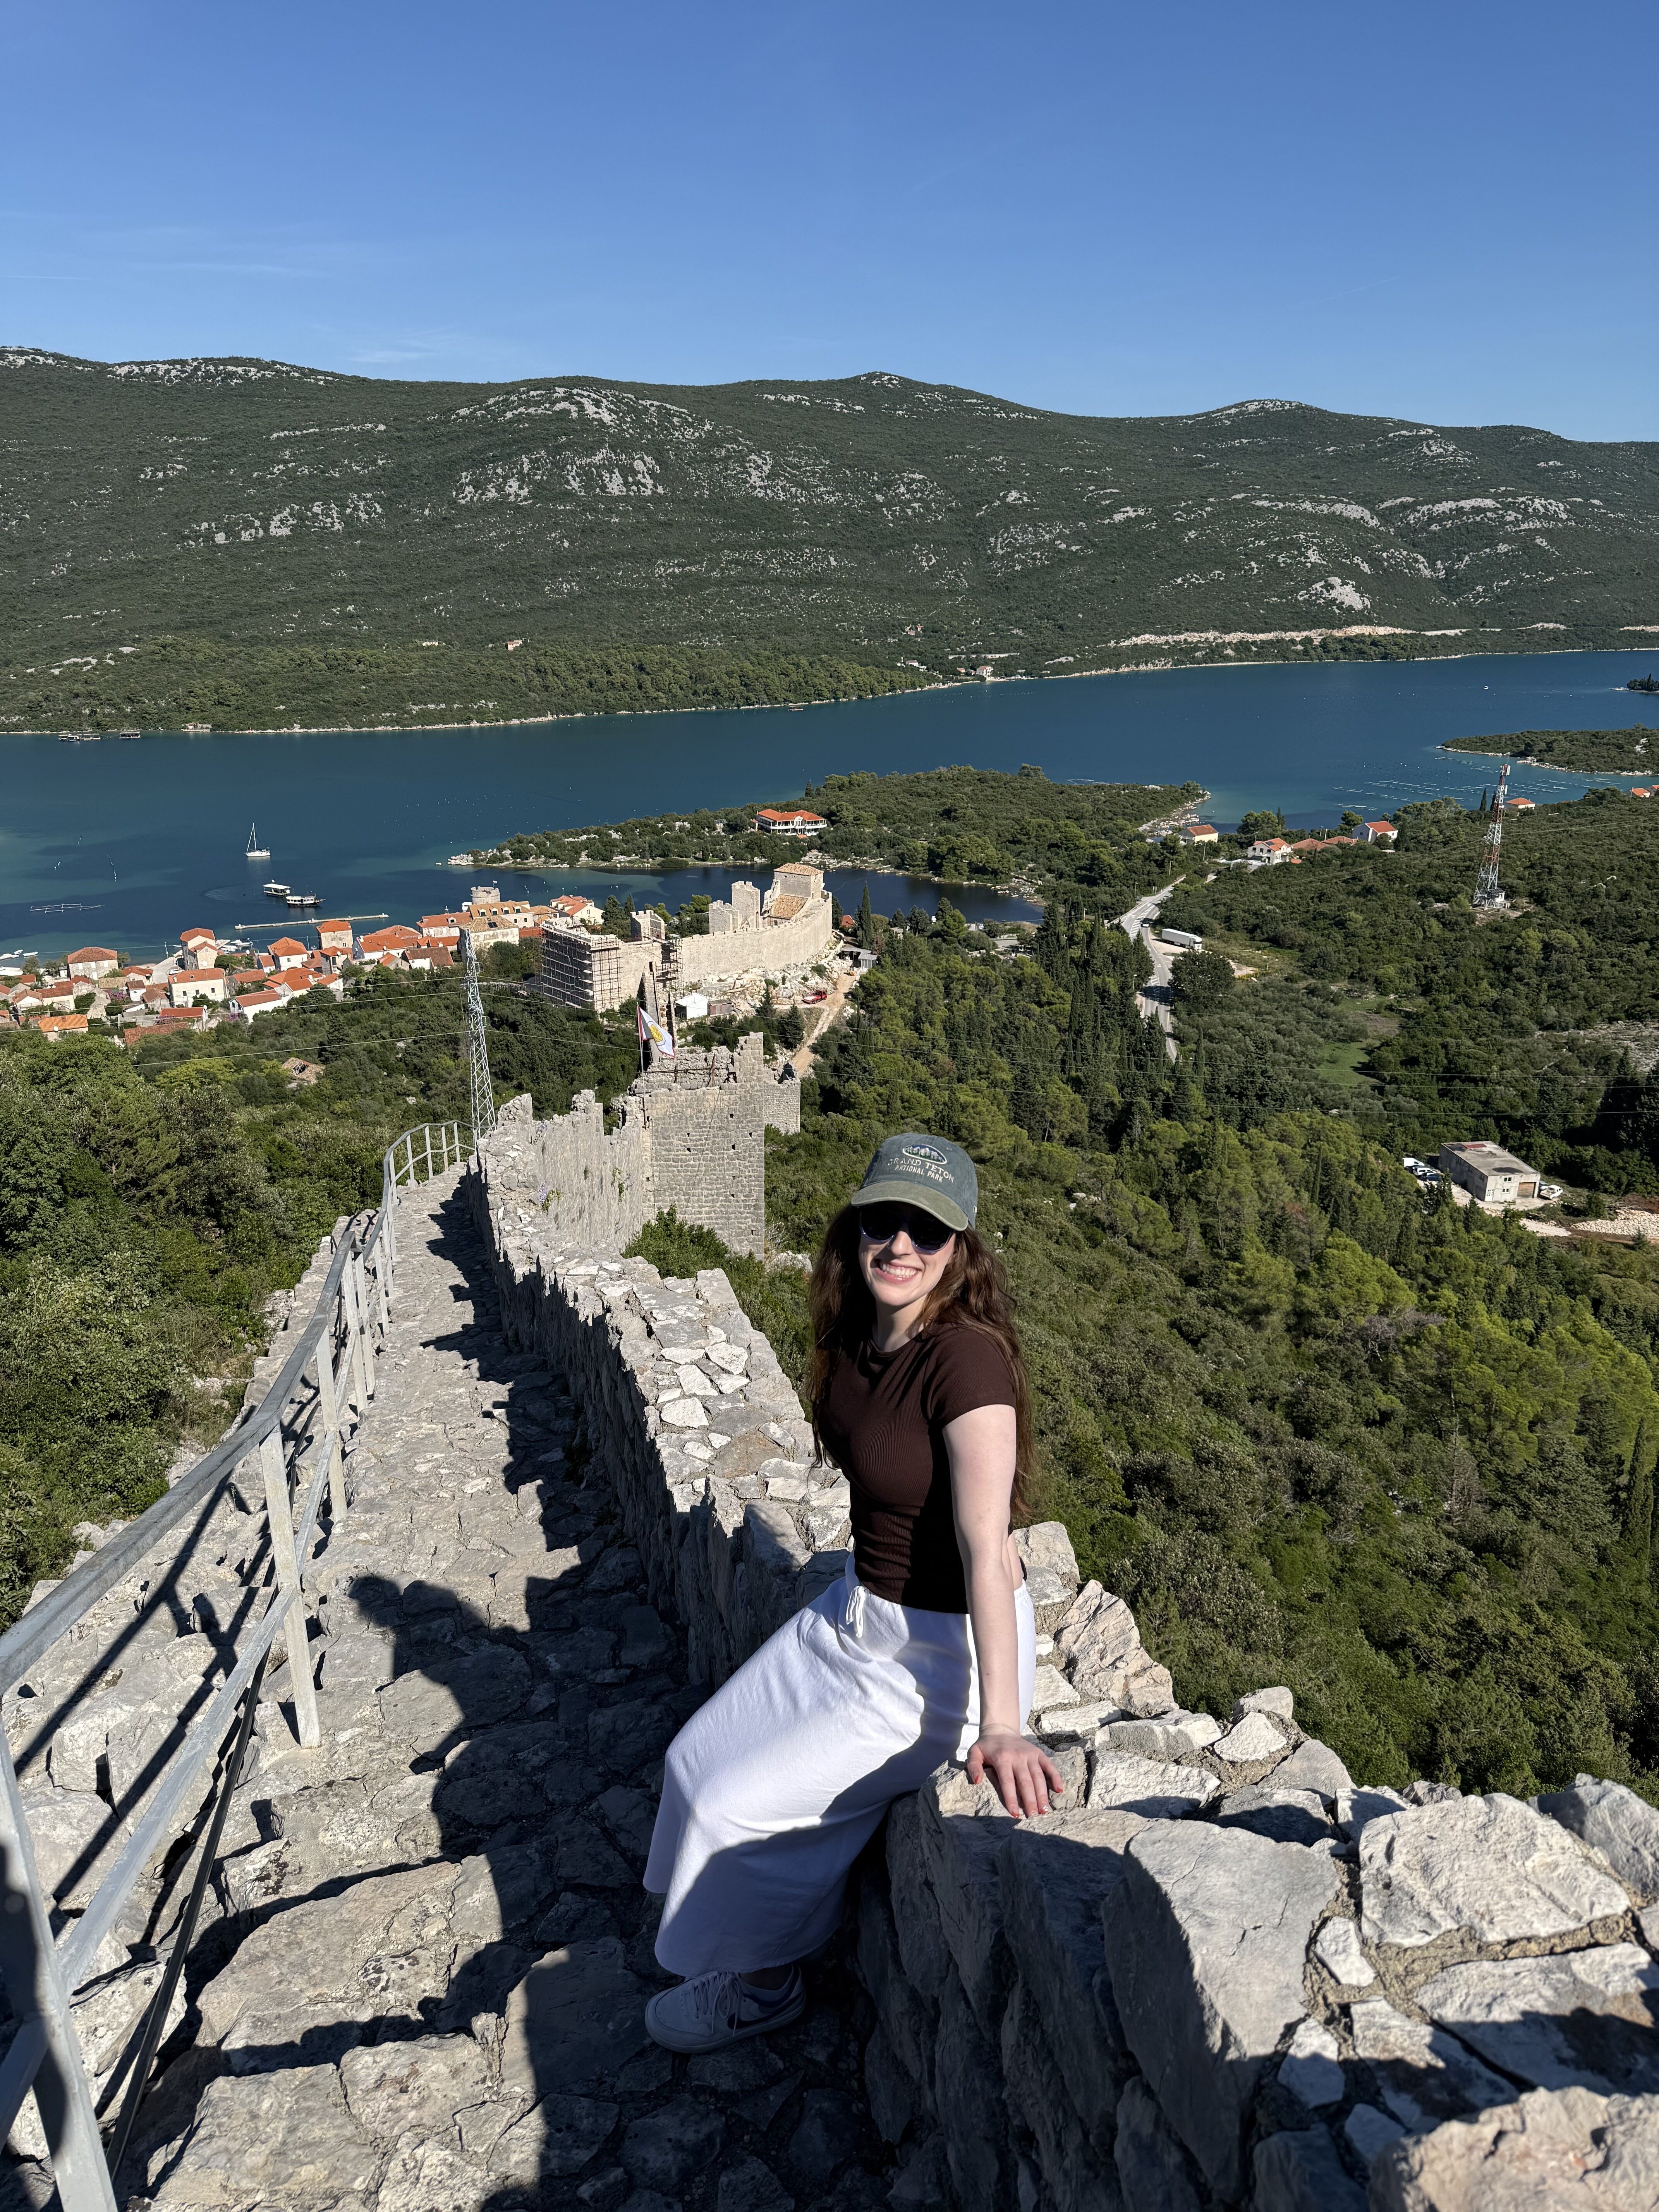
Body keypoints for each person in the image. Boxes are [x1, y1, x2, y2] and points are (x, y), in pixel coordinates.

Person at [642, 1131, 1063, 2054]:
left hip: (936, 1659)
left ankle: (763, 1985)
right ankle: (723, 1929)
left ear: (961, 1248)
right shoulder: (857, 1335)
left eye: (928, 1229)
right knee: (692, 1760)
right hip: (856, 1618)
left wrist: (1003, 1724)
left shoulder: (966, 1363)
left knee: (734, 1808)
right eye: (885, 1220)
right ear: (857, 1223)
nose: (901, 1244)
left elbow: (988, 1550)